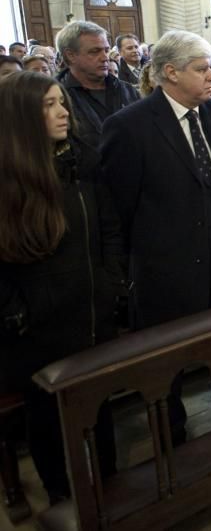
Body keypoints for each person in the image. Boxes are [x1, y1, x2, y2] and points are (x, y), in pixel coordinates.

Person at [100, 31, 211, 442]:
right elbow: (119, 207)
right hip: (166, 264)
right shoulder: (129, 127)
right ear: (170, 73)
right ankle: (171, 428)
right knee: (168, 360)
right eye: (201, 69)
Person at [0, 71, 122, 504]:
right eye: (49, 105)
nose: (63, 112)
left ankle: (108, 489)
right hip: (38, 326)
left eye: (61, 102)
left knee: (97, 403)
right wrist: (18, 314)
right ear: (21, 118)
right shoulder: (8, 178)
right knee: (48, 416)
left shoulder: (81, 162)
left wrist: (110, 282)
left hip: (90, 308)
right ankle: (62, 499)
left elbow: (108, 229)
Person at [56, 21, 140, 150]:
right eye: (95, 51)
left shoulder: (128, 91)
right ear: (70, 55)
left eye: (106, 50)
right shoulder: (56, 97)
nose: (105, 57)